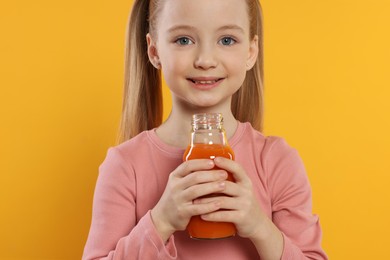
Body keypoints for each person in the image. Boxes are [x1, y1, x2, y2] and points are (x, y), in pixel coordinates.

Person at [83, 0, 328, 259]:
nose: (205, 60)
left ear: (251, 51)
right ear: (154, 52)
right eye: (184, 40)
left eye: (227, 40)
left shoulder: (277, 161)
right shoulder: (125, 165)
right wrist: (161, 221)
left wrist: (260, 227)